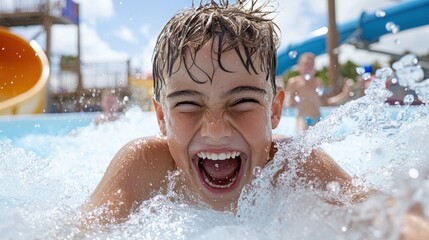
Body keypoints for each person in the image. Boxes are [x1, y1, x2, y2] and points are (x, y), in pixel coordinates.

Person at [80, 1, 428, 237]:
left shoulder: (294, 167)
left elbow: (387, 211)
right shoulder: (145, 167)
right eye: (189, 104)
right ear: (161, 118)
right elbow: (80, 230)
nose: (216, 129)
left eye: (242, 101)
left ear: (274, 110)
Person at [285, 52, 353, 132]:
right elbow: (287, 103)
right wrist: (290, 102)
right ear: (299, 67)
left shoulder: (318, 82)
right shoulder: (294, 82)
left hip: (318, 118)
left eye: (311, 65)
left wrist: (344, 93)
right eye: (306, 64)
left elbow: (326, 102)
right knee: (302, 136)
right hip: (303, 119)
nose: (308, 67)